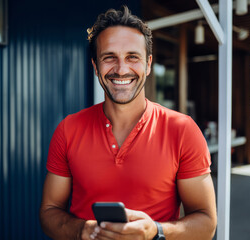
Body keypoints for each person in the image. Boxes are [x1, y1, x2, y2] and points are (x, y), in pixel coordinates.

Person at [39, 6, 217, 240]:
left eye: (132, 57)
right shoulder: (68, 130)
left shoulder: (183, 130)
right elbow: (49, 211)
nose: (121, 69)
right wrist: (82, 230)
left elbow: (206, 222)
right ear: (95, 66)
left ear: (148, 64)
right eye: (109, 57)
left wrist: (156, 231)